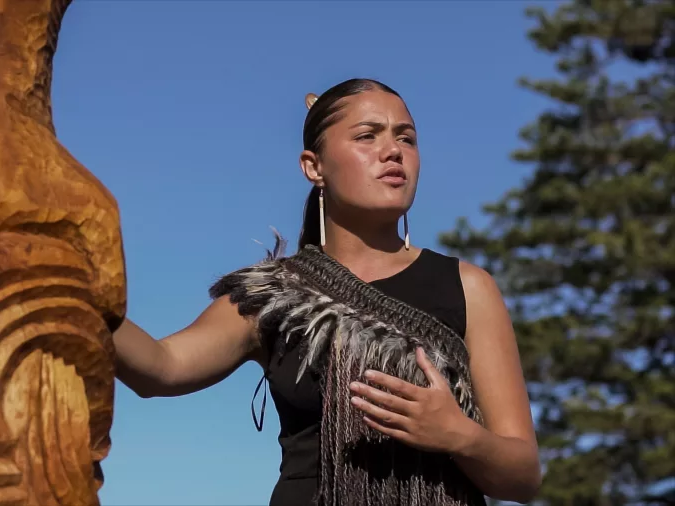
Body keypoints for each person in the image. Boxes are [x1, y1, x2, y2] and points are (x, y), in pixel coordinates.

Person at [112, 78, 541, 506]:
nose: (393, 151)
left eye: (406, 138)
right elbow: (160, 367)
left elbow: (523, 476)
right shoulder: (274, 293)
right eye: (367, 136)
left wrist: (460, 436)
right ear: (313, 167)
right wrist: (82, 296)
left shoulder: (468, 286)